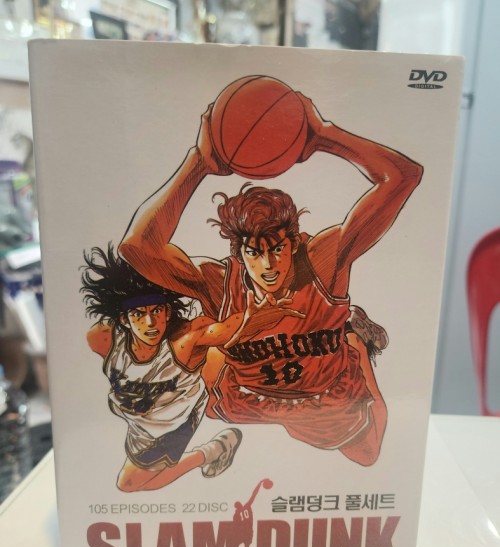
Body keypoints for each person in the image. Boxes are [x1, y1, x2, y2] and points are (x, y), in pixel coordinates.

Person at [119, 90, 423, 466]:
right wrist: (199, 162)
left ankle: (354, 345)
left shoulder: (323, 263)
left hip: (322, 395)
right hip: (250, 395)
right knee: (202, 345)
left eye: (277, 249)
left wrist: (324, 135)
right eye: (254, 253)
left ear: (293, 244)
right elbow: (136, 247)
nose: (268, 265)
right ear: (238, 254)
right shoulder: (219, 281)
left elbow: (404, 176)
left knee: (368, 456)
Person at [81, 245, 303, 491]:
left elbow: (222, 329)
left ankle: (213, 450)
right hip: (141, 422)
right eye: (138, 314)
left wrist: (251, 319)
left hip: (172, 425)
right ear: (124, 319)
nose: (151, 322)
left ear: (167, 311)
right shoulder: (102, 338)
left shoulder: (185, 341)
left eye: (157, 311)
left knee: (128, 484)